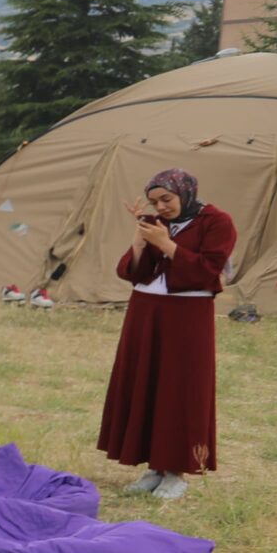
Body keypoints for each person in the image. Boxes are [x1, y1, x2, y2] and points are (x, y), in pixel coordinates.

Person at [101, 167, 234, 499]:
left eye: (167, 199)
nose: (161, 207)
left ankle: (177, 472)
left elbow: (208, 270)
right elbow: (136, 272)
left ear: (185, 193)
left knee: (180, 388)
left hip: (187, 315)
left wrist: (168, 246)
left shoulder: (216, 222)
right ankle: (154, 467)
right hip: (146, 312)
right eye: (154, 201)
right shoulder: (159, 223)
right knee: (146, 382)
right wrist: (140, 240)